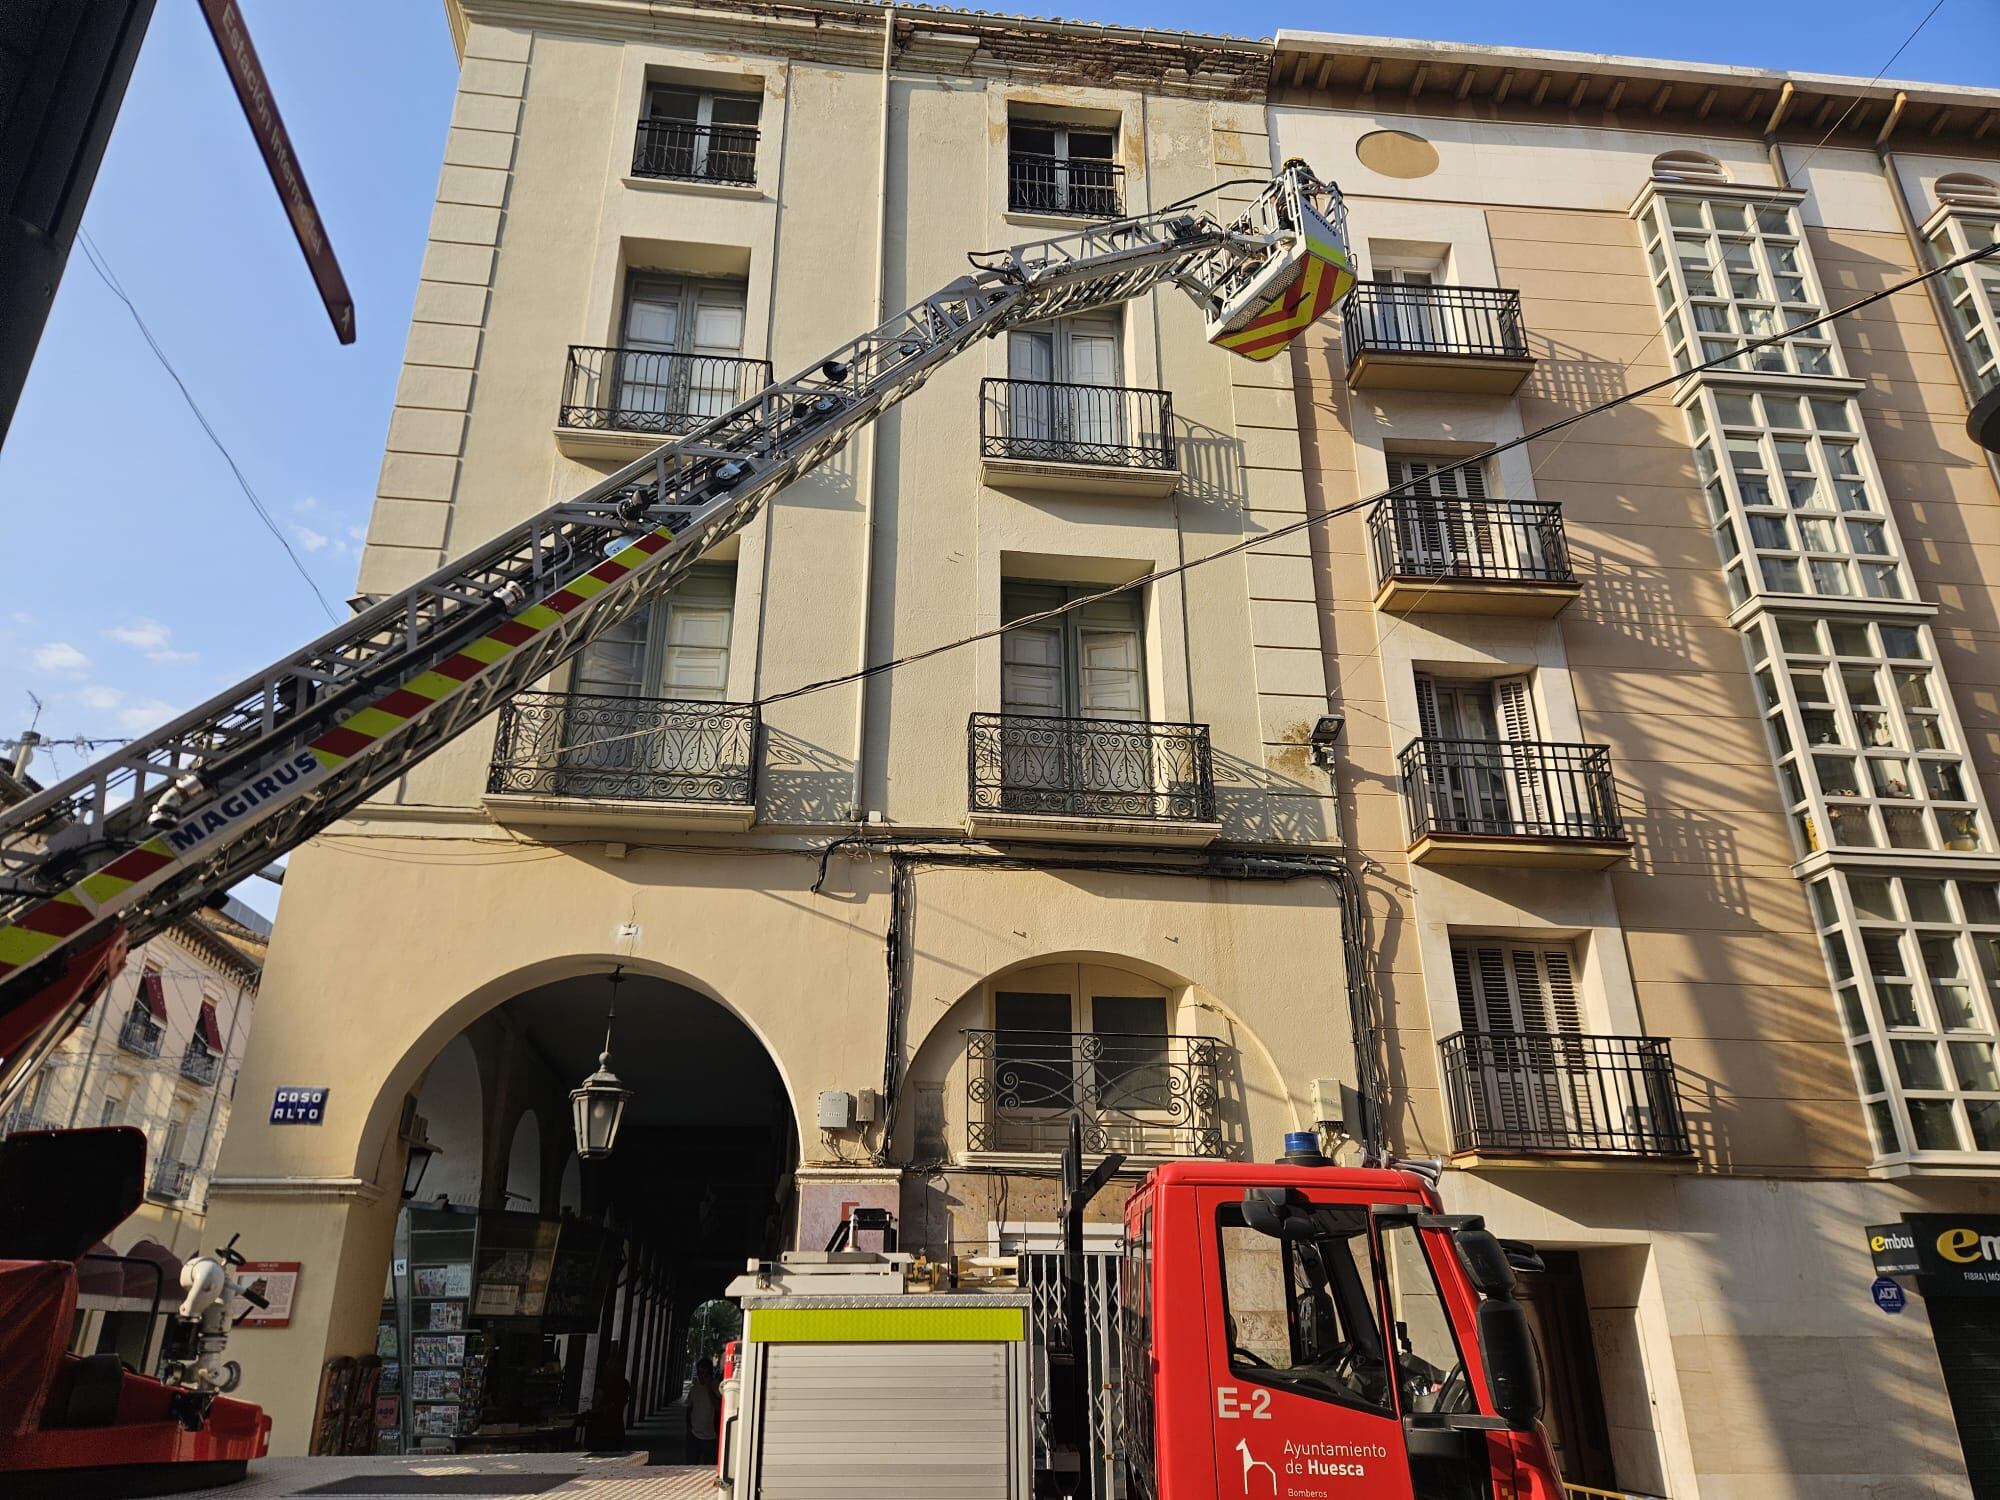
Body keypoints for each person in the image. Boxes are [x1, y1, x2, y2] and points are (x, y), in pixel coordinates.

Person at [583, 1344, 629, 1451]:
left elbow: (598, 1403)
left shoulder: (605, 1384)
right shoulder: (624, 1384)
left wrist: (591, 1412)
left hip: (602, 1429)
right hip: (617, 1428)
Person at [683, 1355, 720, 1465]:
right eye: (699, 1373)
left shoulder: (717, 1387)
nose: (701, 1376)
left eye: (704, 1373)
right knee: (690, 1465)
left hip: (710, 1436)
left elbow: (717, 1406)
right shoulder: (694, 1389)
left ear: (710, 1374)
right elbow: (689, 1409)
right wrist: (689, 1427)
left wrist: (709, 1388)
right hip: (694, 1435)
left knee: (709, 1467)